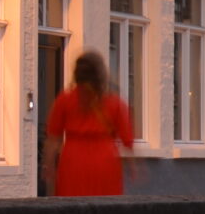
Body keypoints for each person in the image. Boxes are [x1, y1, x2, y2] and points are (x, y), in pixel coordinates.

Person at [45, 50, 136, 197]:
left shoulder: (64, 100)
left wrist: (48, 166)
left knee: (72, 205)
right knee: (105, 206)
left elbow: (53, 139)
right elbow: (127, 140)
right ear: (101, 74)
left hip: (72, 162)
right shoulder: (115, 103)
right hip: (104, 162)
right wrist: (133, 167)